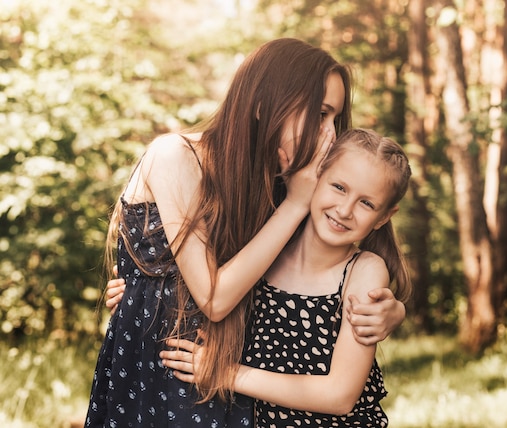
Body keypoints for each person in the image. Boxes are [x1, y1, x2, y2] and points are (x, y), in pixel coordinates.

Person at [87, 38, 406, 428]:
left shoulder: (282, 187)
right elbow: (214, 298)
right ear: (262, 104)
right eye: (320, 114)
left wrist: (393, 311)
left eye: (334, 119)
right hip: (161, 375)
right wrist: (139, 285)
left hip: (231, 390)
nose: (330, 135)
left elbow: (329, 272)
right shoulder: (176, 156)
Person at [159, 128, 412, 427]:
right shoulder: (265, 250)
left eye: (366, 203)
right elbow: (196, 276)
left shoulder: (364, 270)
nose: (345, 210)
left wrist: (225, 374)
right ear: (316, 178)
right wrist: (130, 288)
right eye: (339, 187)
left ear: (384, 216)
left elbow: (340, 395)